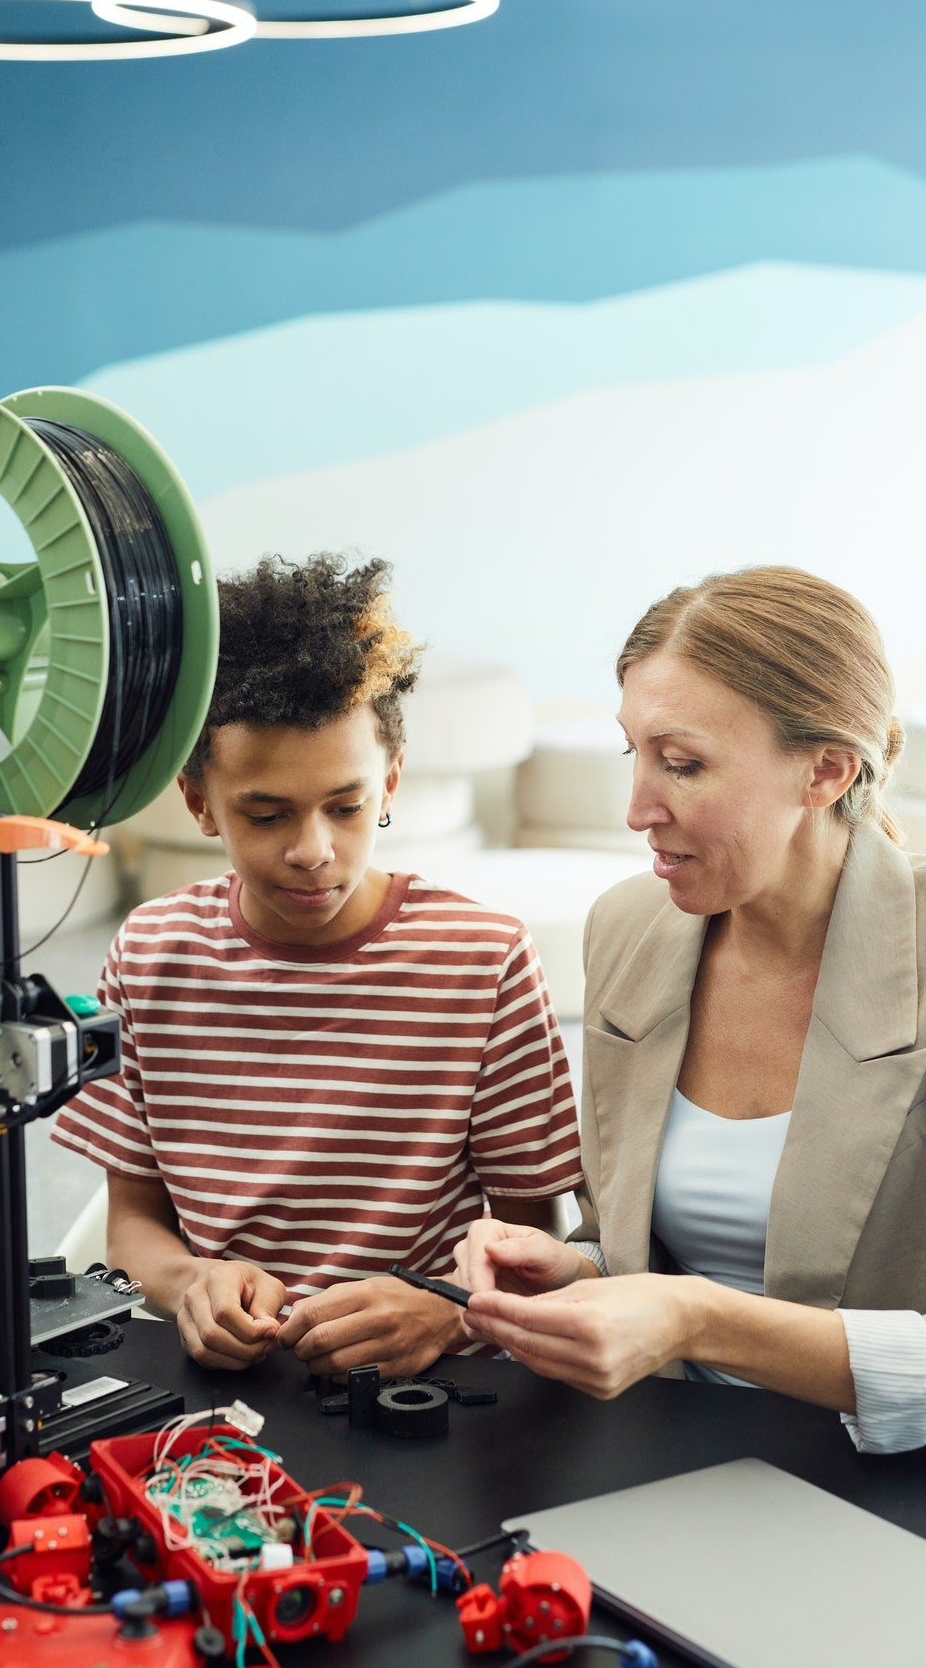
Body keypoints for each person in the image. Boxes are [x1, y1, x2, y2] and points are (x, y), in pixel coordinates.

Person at [453, 566, 926, 1456]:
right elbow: (639, 1259)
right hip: (666, 1457)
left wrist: (695, 1321)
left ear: (827, 771)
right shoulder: (629, 930)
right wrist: (572, 1272)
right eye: (632, 754)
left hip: (897, 1493)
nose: (638, 808)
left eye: (682, 764)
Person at [53, 553, 582, 1375]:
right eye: (265, 814)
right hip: (228, 1381)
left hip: (428, 1386)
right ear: (198, 803)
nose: (313, 851)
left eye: (347, 807)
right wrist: (193, 1280)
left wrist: (447, 1311)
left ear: (392, 782)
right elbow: (132, 1231)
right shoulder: (151, 954)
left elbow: (534, 1239)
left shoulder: (484, 961)